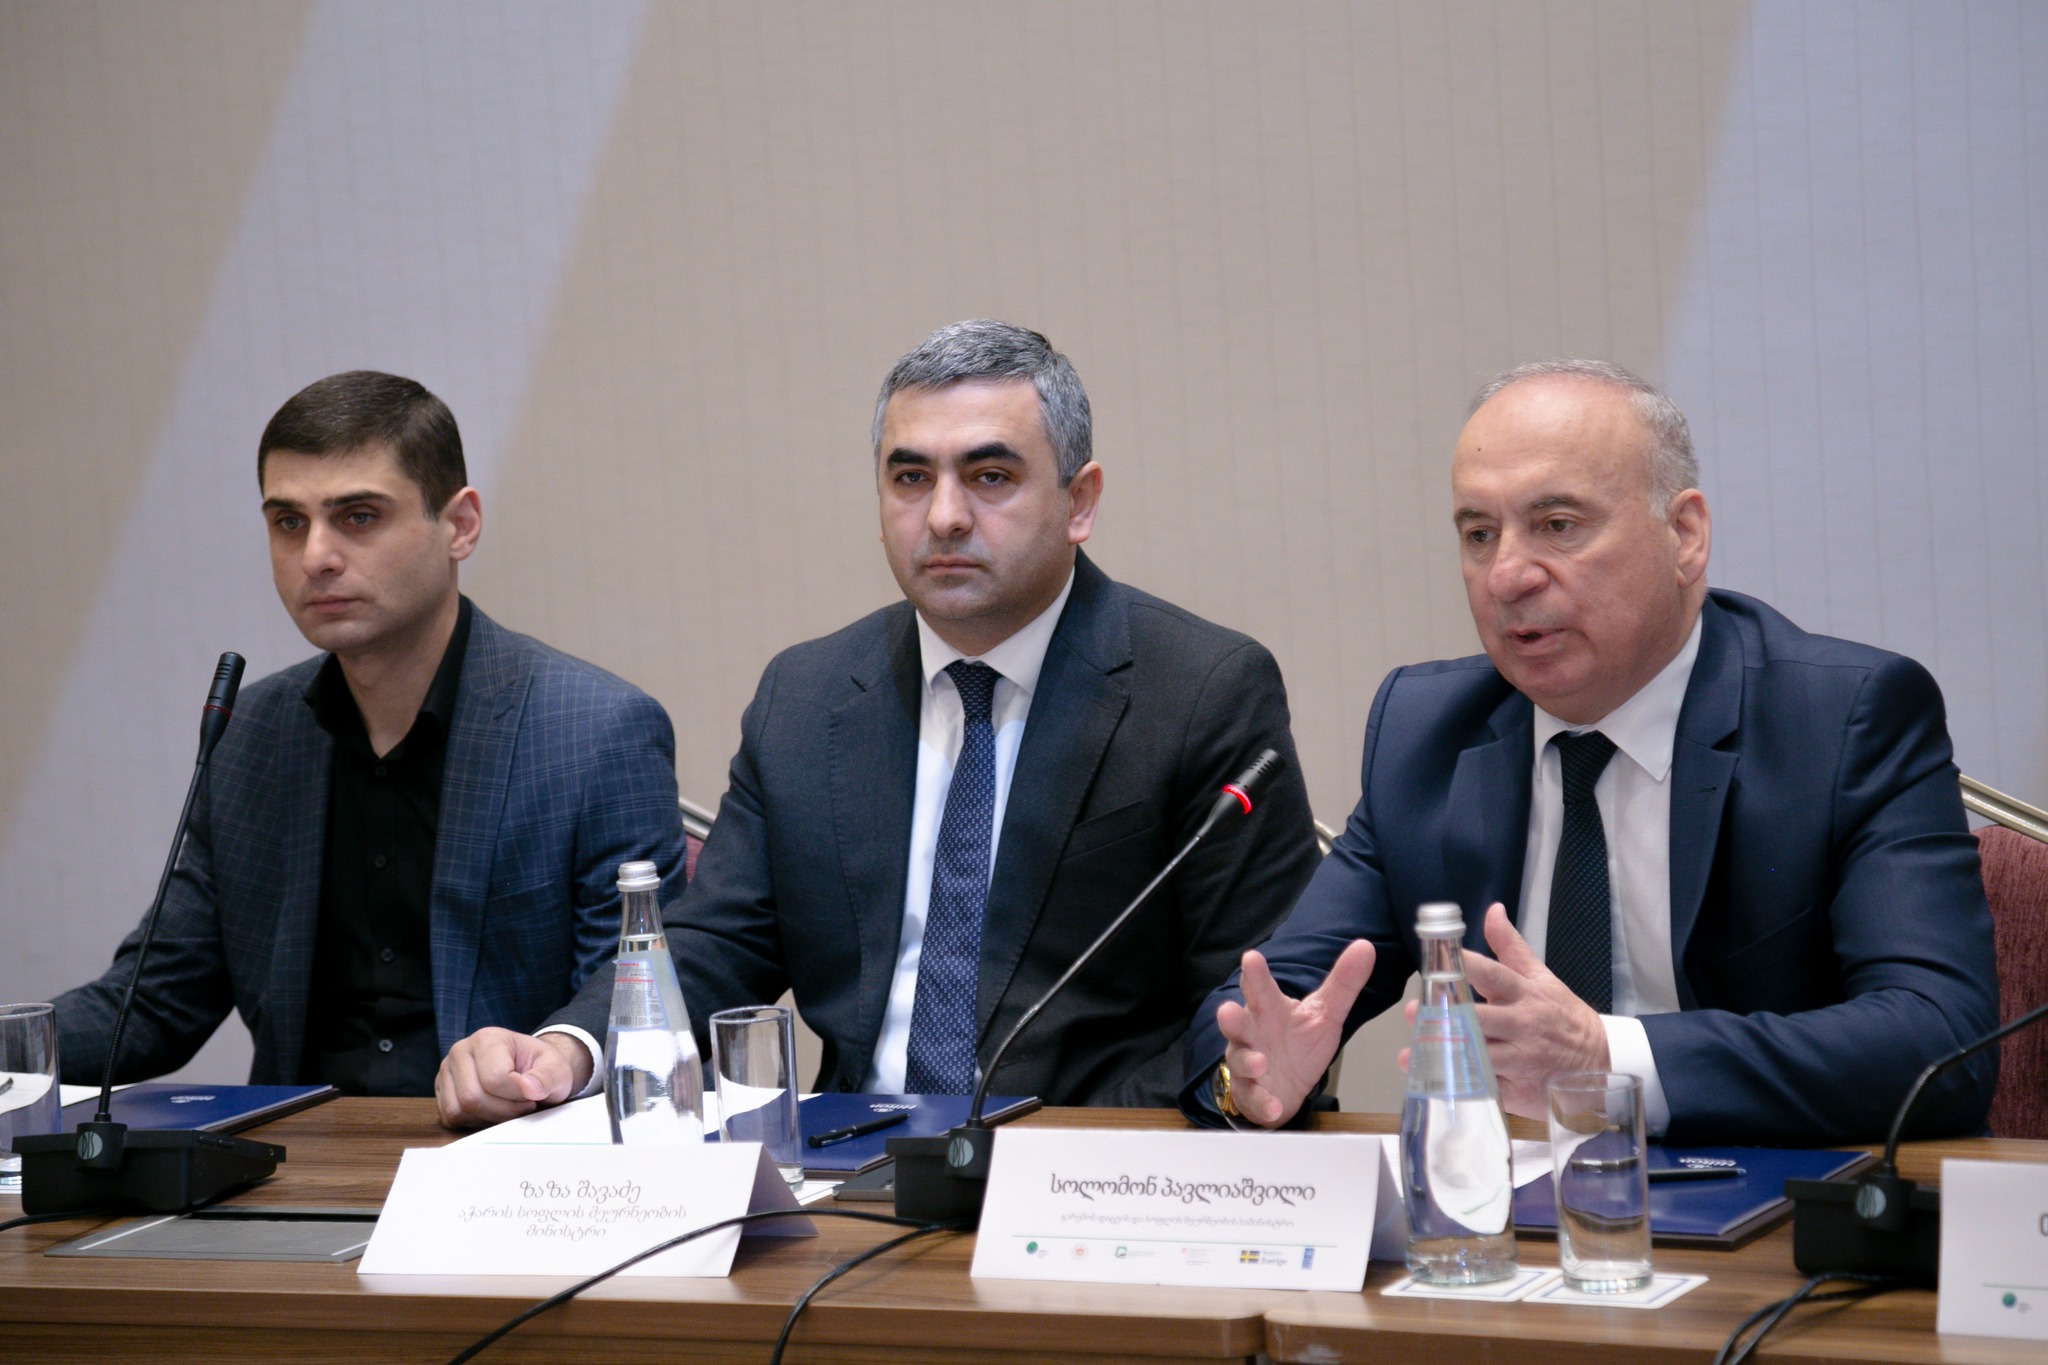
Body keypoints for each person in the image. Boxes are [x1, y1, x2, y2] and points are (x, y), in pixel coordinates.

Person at [436, 320, 1322, 1126]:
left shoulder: (1200, 691)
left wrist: (1065, 1139)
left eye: (991, 476)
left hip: (1087, 1165)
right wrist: (569, 1050)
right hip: (854, 1165)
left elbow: (1250, 1001)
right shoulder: (808, 695)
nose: (944, 515)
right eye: (910, 477)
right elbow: (719, 942)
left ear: (1079, 500)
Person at [1184, 359, 1998, 1146]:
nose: (1506, 575)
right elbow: (1260, 1005)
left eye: (1558, 525)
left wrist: (1606, 1058)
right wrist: (1246, 1073)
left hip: (1773, 1206)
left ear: (1684, 535)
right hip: (1511, 1218)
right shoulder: (1427, 733)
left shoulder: (1842, 721)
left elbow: (1941, 1040)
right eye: (1479, 534)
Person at [54, 371, 688, 1096]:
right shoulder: (253, 737)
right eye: (288, 522)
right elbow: (154, 1001)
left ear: (460, 525)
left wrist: (548, 1062)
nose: (316, 556)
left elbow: (634, 997)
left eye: (357, 517)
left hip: (508, 1144)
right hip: (297, 1152)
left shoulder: (594, 730)